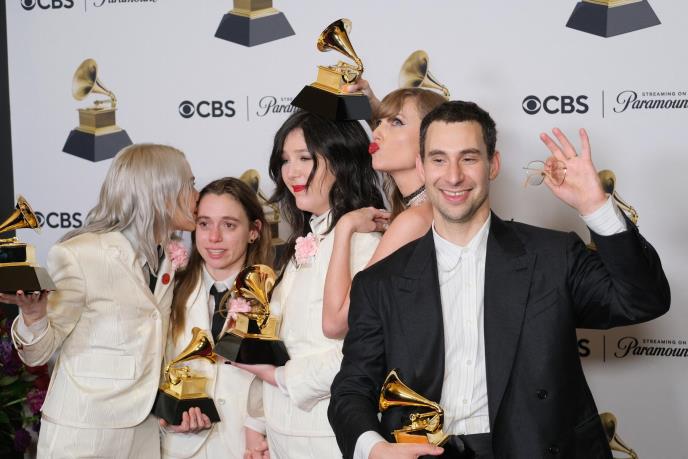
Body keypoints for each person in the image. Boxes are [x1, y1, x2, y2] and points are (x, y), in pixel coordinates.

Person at [328, 101, 670, 459]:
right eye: (439, 159)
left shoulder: (553, 256)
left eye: (469, 158)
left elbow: (643, 300)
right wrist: (373, 448)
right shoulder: (380, 282)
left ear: (493, 164)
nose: (453, 176)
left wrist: (595, 206)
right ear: (421, 167)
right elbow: (352, 389)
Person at [0, 144, 201, 458]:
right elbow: (38, 354)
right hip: (85, 434)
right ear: (161, 193)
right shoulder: (80, 254)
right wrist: (34, 316)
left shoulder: (170, 258)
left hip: (146, 435)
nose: (197, 195)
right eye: (189, 185)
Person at [234, 109, 385, 458]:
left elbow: (361, 355)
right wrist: (258, 423)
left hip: (330, 437)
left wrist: (278, 376)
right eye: (285, 160)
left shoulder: (365, 244)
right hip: (285, 436)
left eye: (305, 158)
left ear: (342, 161)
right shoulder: (306, 239)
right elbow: (290, 342)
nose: (291, 172)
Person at [161, 177, 273, 459]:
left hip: (250, 448)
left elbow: (284, 377)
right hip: (179, 449)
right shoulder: (168, 290)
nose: (213, 237)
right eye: (204, 224)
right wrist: (167, 415)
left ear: (254, 231)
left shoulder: (276, 293)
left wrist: (258, 427)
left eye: (229, 225)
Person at [322, 84, 446, 338]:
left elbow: (335, 324)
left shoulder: (415, 220)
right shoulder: (422, 213)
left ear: (431, 140)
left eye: (396, 122)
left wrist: (345, 227)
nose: (376, 132)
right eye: (378, 122)